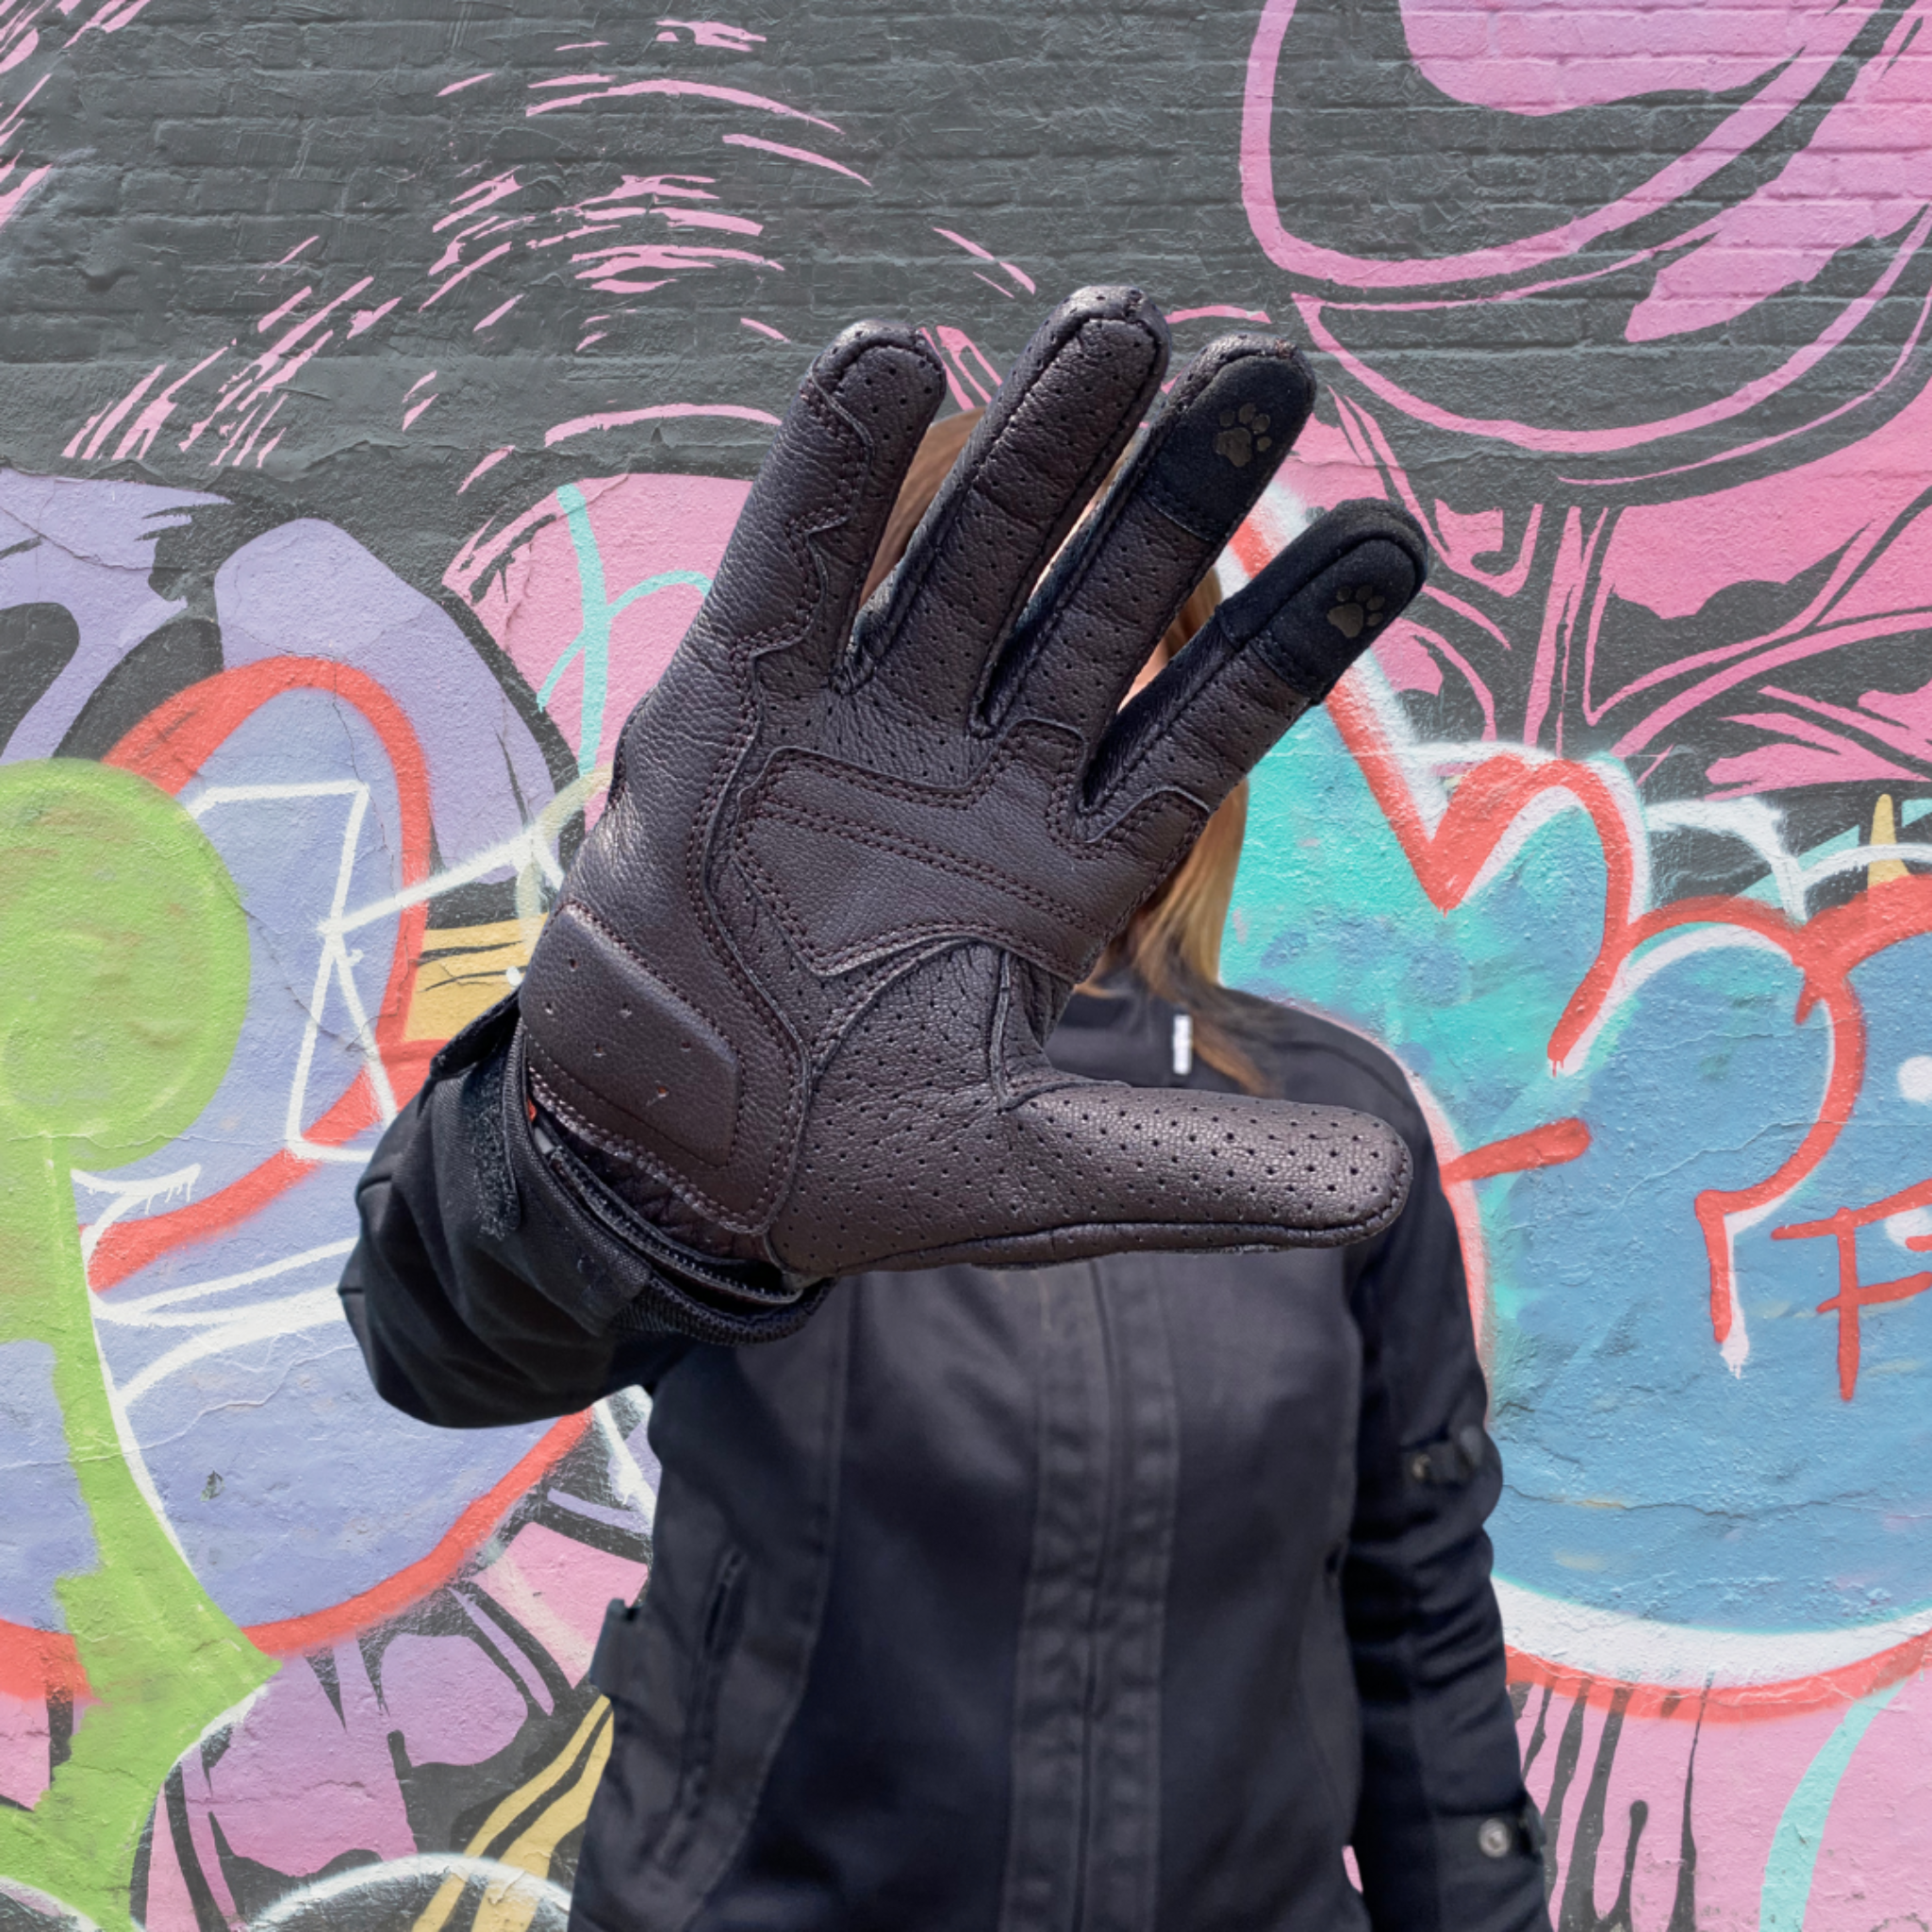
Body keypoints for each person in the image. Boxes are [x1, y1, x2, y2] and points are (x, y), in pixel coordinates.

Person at [339, 289, 1550, 1932]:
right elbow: (440, 1342)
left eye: (1138, 671)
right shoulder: (736, 1085)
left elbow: (1419, 1612)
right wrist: (629, 1164)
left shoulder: (1318, 1131)